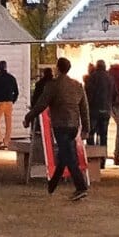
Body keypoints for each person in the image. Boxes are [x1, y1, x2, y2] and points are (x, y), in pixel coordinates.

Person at [26, 56, 90, 200]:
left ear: (58, 68)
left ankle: (81, 187)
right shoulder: (77, 85)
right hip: (74, 125)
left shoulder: (53, 86)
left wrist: (28, 117)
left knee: (69, 156)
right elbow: (84, 108)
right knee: (64, 154)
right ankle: (53, 183)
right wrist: (86, 128)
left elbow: (41, 104)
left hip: (61, 125)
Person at [0, 60, 19, 151]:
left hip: (0, 102)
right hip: (9, 102)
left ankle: (0, 141)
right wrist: (12, 100)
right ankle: (7, 142)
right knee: (8, 123)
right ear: (6, 67)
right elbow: (16, 92)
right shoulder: (12, 78)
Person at [84, 60, 112, 148]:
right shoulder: (110, 78)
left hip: (93, 111)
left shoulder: (91, 78)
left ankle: (92, 155)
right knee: (104, 134)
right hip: (106, 110)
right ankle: (103, 156)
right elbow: (114, 94)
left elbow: (87, 94)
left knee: (91, 133)